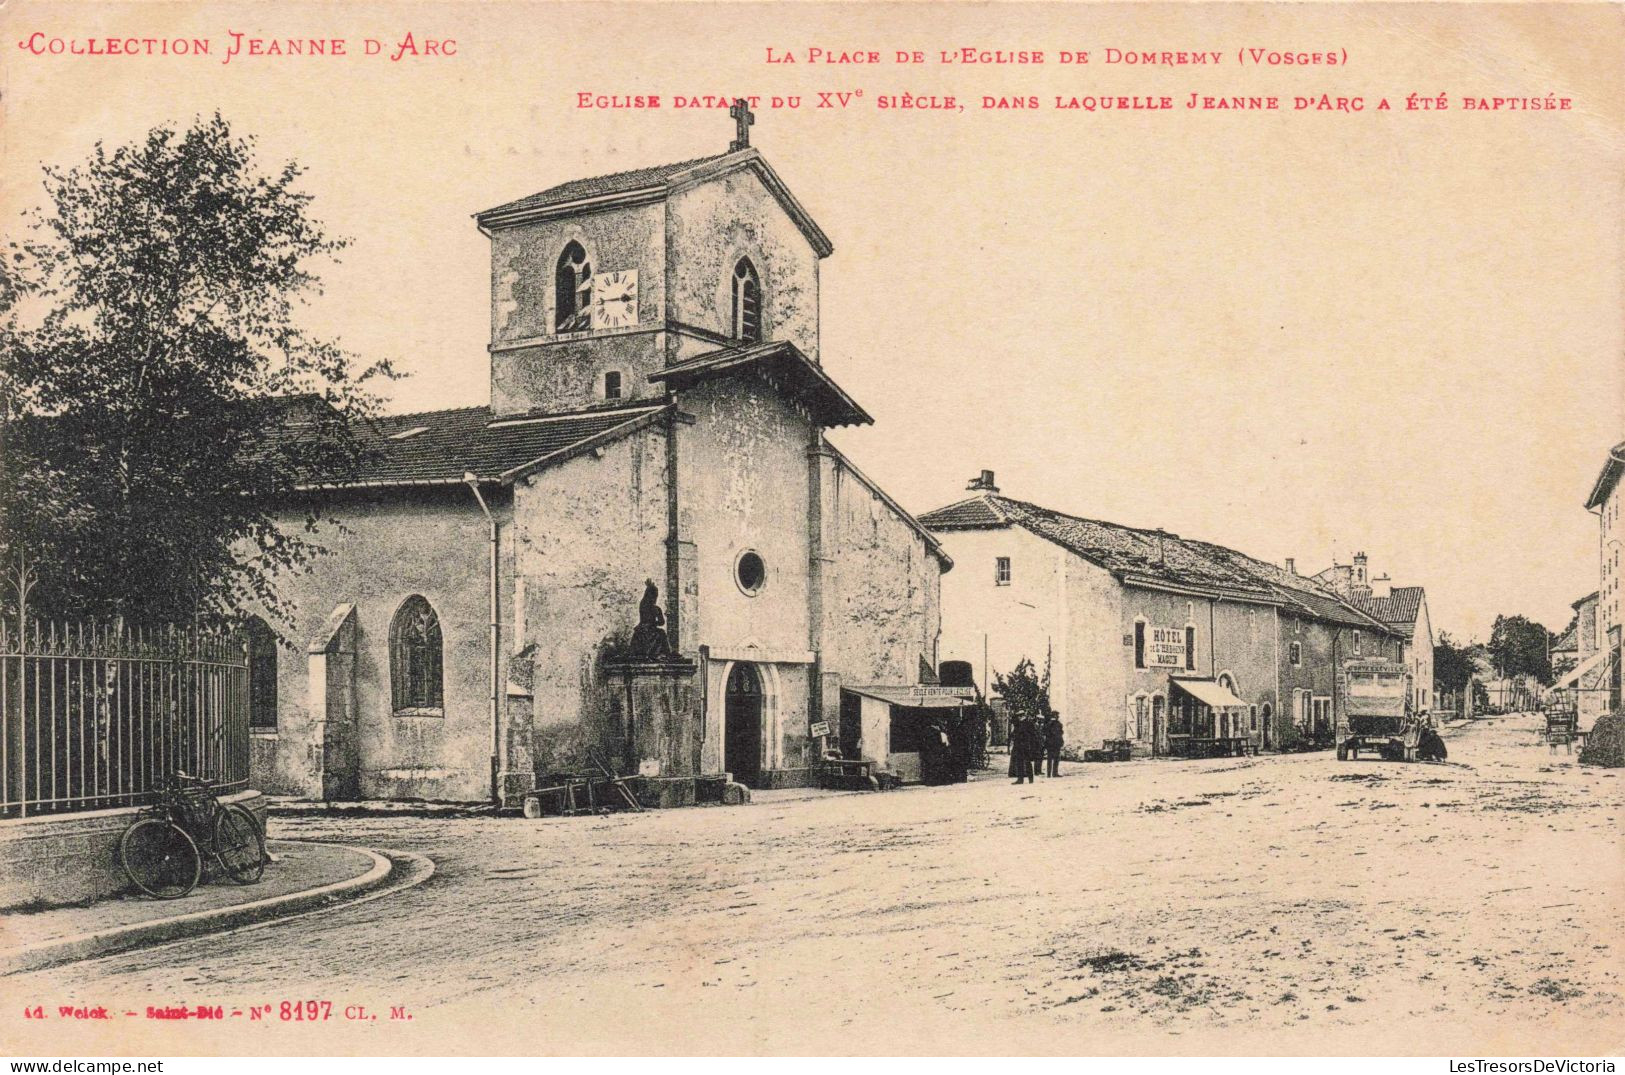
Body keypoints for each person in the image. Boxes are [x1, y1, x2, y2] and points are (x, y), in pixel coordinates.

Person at [1009, 714, 1035, 784]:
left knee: (1021, 762)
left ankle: (1021, 779)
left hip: (1022, 746)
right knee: (1026, 762)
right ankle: (1030, 779)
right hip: (1024, 746)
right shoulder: (1027, 723)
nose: (1019, 718)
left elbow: (1026, 735)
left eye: (1019, 717)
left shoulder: (1023, 724)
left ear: (1021, 716)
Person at [1044, 712, 1065, 777]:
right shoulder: (1058, 724)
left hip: (1049, 744)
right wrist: (1061, 742)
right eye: (1057, 715)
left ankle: (1049, 773)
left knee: (1049, 759)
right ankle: (1054, 773)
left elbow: (1045, 733)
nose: (1058, 716)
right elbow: (1059, 734)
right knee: (1056, 758)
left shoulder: (1047, 724)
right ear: (1055, 716)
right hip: (1056, 743)